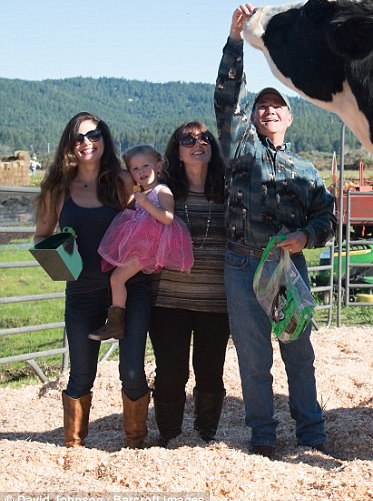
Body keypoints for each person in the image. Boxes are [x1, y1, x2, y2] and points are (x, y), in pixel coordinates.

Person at [215, 4, 337, 459]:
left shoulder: (305, 169)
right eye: (262, 105)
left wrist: (307, 237)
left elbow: (328, 218)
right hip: (242, 263)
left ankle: (311, 434)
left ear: (289, 118)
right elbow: (229, 96)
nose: (268, 109)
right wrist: (235, 39)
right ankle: (262, 435)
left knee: (298, 355)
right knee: (253, 359)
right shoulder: (240, 150)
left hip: (287, 266)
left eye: (277, 105)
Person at [34, 113, 151, 449]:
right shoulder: (56, 189)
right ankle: (72, 447)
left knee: (131, 372)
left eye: (94, 135)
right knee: (81, 374)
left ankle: (135, 444)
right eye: (78, 138)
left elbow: (150, 218)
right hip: (82, 291)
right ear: (69, 145)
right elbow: (42, 235)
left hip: (130, 290)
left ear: (105, 137)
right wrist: (59, 255)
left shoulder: (125, 181)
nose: (87, 143)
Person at [149, 122, 231, 447]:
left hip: (216, 301)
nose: (197, 143)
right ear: (177, 152)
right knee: (171, 373)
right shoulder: (164, 193)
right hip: (168, 298)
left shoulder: (228, 192)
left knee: (210, 372)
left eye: (204, 138)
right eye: (188, 139)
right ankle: (170, 435)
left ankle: (205, 435)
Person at [91, 145, 193, 341]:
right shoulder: (142, 193)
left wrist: (146, 204)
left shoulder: (161, 191)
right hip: (141, 245)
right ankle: (115, 319)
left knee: (117, 279)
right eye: (135, 169)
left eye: (146, 165)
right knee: (115, 276)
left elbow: (168, 218)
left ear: (159, 166)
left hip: (149, 248)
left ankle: (115, 324)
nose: (141, 171)